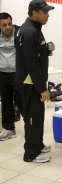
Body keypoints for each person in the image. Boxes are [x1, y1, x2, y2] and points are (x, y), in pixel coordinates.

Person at [15, 0, 55, 163]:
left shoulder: (34, 29)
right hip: (30, 83)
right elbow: (31, 64)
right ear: (34, 13)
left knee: (37, 116)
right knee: (32, 117)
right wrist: (42, 88)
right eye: (44, 12)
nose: (48, 15)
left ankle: (37, 144)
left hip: (33, 83)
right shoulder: (29, 31)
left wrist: (46, 49)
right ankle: (31, 153)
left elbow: (34, 53)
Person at [0, 12, 20, 140]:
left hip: (18, 73)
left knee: (21, 100)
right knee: (6, 101)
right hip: (2, 73)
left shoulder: (19, 33)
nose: (7, 27)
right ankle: (9, 128)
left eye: (9, 24)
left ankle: (30, 126)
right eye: (4, 25)